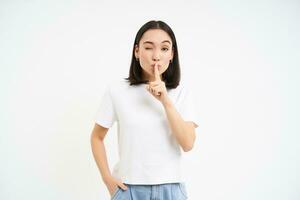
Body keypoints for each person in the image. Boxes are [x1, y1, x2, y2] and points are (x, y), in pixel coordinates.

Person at [90, 20, 200, 200]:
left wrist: (165, 100)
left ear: (172, 54)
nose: (156, 56)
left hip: (170, 191)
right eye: (148, 47)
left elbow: (188, 143)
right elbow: (97, 137)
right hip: (129, 189)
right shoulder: (117, 90)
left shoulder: (180, 92)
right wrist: (107, 178)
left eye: (164, 49)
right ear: (136, 51)